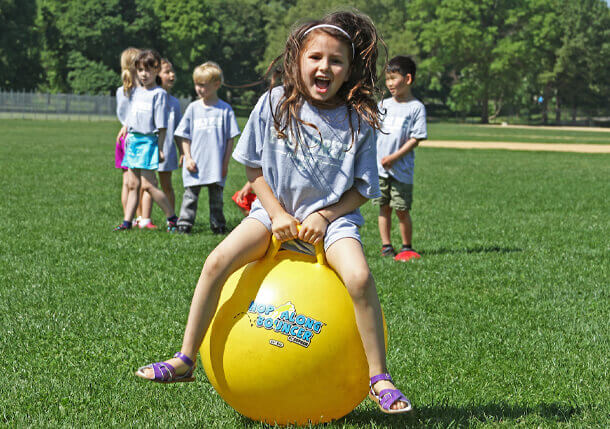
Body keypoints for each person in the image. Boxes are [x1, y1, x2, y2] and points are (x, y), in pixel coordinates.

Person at [135, 11, 411, 414]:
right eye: (315, 57)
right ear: (296, 60)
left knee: (359, 276)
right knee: (216, 261)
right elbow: (253, 168)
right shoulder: (275, 102)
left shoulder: (357, 119)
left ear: (349, 69)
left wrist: (325, 216)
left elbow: (362, 190)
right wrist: (277, 213)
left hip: (333, 222)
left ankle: (379, 377)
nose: (324, 67)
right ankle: (185, 359)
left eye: (336, 60)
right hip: (271, 214)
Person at [114, 49, 179, 231]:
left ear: (156, 70)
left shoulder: (158, 94)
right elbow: (131, 115)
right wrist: (126, 127)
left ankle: (172, 217)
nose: (143, 74)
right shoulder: (135, 92)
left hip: (148, 142)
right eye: (140, 70)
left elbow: (162, 125)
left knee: (148, 185)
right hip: (133, 142)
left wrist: (160, 148)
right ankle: (127, 222)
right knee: (133, 184)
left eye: (148, 70)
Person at [174, 62, 240, 234]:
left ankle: (218, 225)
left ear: (216, 85)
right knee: (190, 196)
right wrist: (187, 157)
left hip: (215, 164)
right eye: (197, 84)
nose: (199, 89)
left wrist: (225, 164)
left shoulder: (225, 110)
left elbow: (229, 140)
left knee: (216, 198)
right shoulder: (193, 108)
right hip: (195, 163)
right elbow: (184, 135)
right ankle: (184, 224)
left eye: (203, 85)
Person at [373, 55, 427, 262]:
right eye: (387, 79)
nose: (389, 83)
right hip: (380, 169)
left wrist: (394, 157)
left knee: (402, 209)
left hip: (401, 170)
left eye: (393, 78)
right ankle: (386, 246)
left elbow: (416, 138)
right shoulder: (383, 104)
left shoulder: (415, 108)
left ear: (408, 79)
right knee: (383, 207)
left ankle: (407, 247)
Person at [155, 58, 183, 216]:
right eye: (167, 72)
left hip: (167, 150)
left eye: (172, 71)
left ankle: (171, 218)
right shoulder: (150, 97)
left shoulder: (174, 102)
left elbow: (179, 130)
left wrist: (183, 152)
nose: (172, 75)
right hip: (150, 149)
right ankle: (141, 218)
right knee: (146, 185)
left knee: (167, 186)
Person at [115, 47, 140, 214]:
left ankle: (127, 215)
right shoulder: (140, 91)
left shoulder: (120, 90)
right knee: (137, 181)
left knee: (126, 181)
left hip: (121, 137)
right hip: (135, 136)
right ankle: (139, 216)